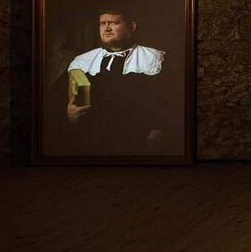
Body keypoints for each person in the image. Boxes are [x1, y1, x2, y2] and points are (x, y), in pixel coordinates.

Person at [65, 8, 176, 155]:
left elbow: (172, 99)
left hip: (137, 140)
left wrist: (159, 128)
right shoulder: (82, 61)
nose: (107, 28)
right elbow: (55, 101)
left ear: (132, 27)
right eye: (102, 23)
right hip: (91, 141)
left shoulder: (155, 59)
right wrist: (68, 113)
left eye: (114, 23)